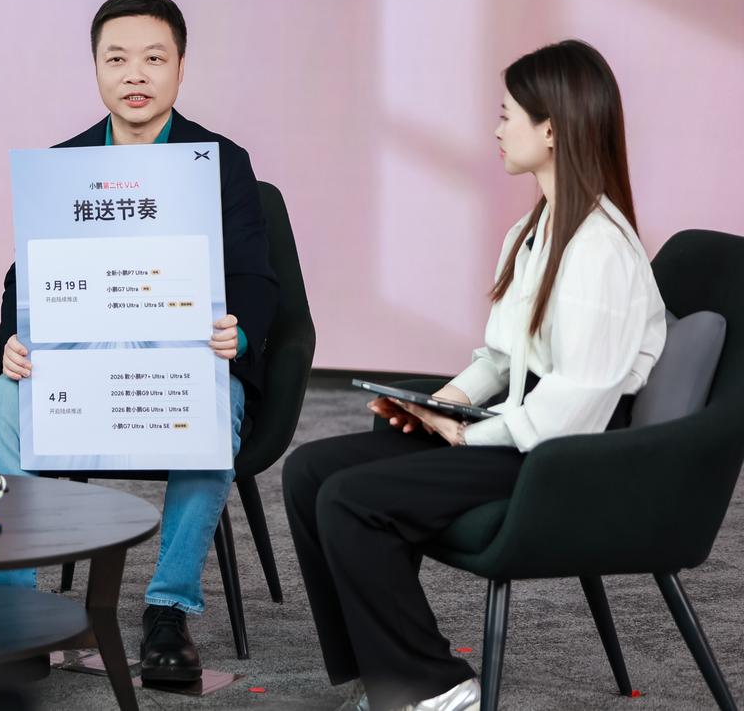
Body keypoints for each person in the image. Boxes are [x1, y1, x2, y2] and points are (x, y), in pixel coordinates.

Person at [282, 39, 666, 711]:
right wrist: (442, 404)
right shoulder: (534, 229)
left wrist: (467, 435)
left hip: (564, 458)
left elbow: (576, 403)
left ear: (552, 129)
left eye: (507, 114)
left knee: (350, 499)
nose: (496, 129)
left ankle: (436, 685)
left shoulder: (600, 250)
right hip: (521, 432)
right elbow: (500, 357)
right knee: (309, 472)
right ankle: (386, 676)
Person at [0, 0, 279, 684]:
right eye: (116, 59)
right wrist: (14, 337)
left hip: (183, 360)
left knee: (214, 406)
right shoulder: (66, 163)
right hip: (80, 364)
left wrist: (238, 334)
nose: (134, 74)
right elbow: (26, 275)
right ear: (96, 68)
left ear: (180, 67)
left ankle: (168, 608)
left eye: (153, 58)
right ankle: (12, 611)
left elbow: (257, 277)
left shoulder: (220, 161)